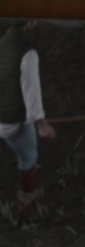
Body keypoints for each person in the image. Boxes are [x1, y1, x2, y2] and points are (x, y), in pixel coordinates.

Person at [0, 20, 55, 218]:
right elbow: (32, 94)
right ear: (31, 23)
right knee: (28, 156)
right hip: (10, 122)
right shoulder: (27, 53)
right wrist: (42, 125)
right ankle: (27, 203)